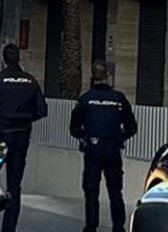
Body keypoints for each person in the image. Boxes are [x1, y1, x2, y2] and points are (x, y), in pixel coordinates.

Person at [0, 44, 47, 232]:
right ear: (19, 59)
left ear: (3, 60)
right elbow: (41, 110)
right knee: (14, 186)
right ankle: (9, 228)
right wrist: (24, 118)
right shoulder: (31, 81)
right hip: (21, 137)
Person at [70, 61, 137, 232]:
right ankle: (118, 227)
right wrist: (119, 137)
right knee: (115, 190)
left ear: (92, 77)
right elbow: (132, 127)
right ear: (108, 76)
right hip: (113, 149)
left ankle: (91, 226)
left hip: (93, 148)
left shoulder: (85, 99)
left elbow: (74, 127)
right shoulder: (119, 99)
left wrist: (83, 137)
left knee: (91, 190)